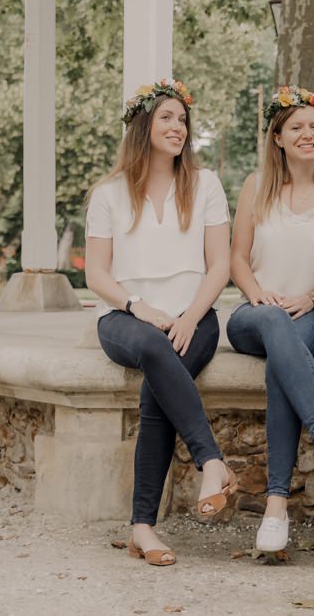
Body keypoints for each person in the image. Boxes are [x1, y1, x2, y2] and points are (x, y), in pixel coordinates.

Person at [84, 79, 235, 567]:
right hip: (126, 319)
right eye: (167, 117)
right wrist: (137, 306)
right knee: (153, 349)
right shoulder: (107, 194)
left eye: (183, 119)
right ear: (143, 126)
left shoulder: (205, 184)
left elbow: (220, 265)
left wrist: (191, 316)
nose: (178, 126)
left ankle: (142, 529)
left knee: (155, 394)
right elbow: (96, 274)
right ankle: (212, 462)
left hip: (195, 318)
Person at [225, 86, 314, 554]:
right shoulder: (255, 186)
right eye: (296, 127)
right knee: (276, 330)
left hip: (309, 316)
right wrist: (258, 294)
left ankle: (276, 507)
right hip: (254, 315)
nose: (308, 135)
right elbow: (237, 258)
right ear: (277, 137)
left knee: (285, 363)